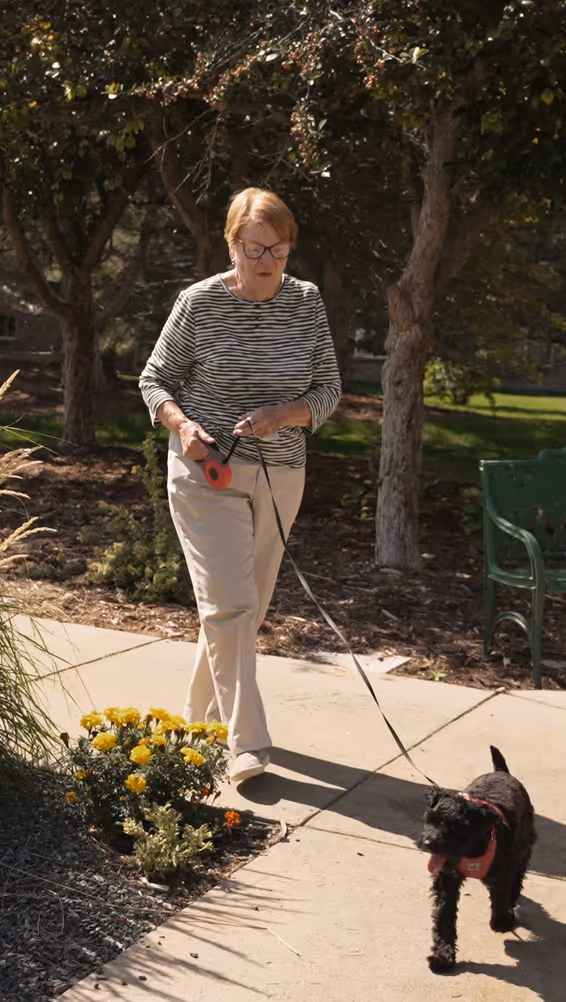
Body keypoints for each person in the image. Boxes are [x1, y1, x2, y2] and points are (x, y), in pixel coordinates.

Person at [137, 188, 342, 783]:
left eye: (278, 249)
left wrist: (284, 415)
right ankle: (247, 743)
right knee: (230, 605)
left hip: (281, 473)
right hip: (206, 472)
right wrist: (183, 425)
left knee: (241, 613)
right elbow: (155, 381)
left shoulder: (306, 302)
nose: (267, 261)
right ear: (232, 244)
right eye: (255, 248)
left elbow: (328, 389)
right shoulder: (198, 303)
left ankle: (194, 720)